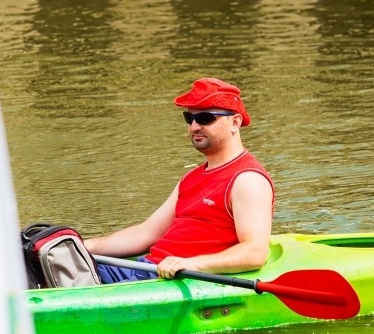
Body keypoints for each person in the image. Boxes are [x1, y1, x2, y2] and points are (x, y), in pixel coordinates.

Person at [84, 78, 275, 283]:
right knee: (52, 265)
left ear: (235, 122)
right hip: (146, 268)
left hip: (169, 280)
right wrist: (82, 246)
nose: (194, 127)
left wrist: (193, 264)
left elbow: (254, 253)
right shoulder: (191, 178)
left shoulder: (248, 180)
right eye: (189, 118)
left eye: (205, 118)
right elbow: (146, 233)